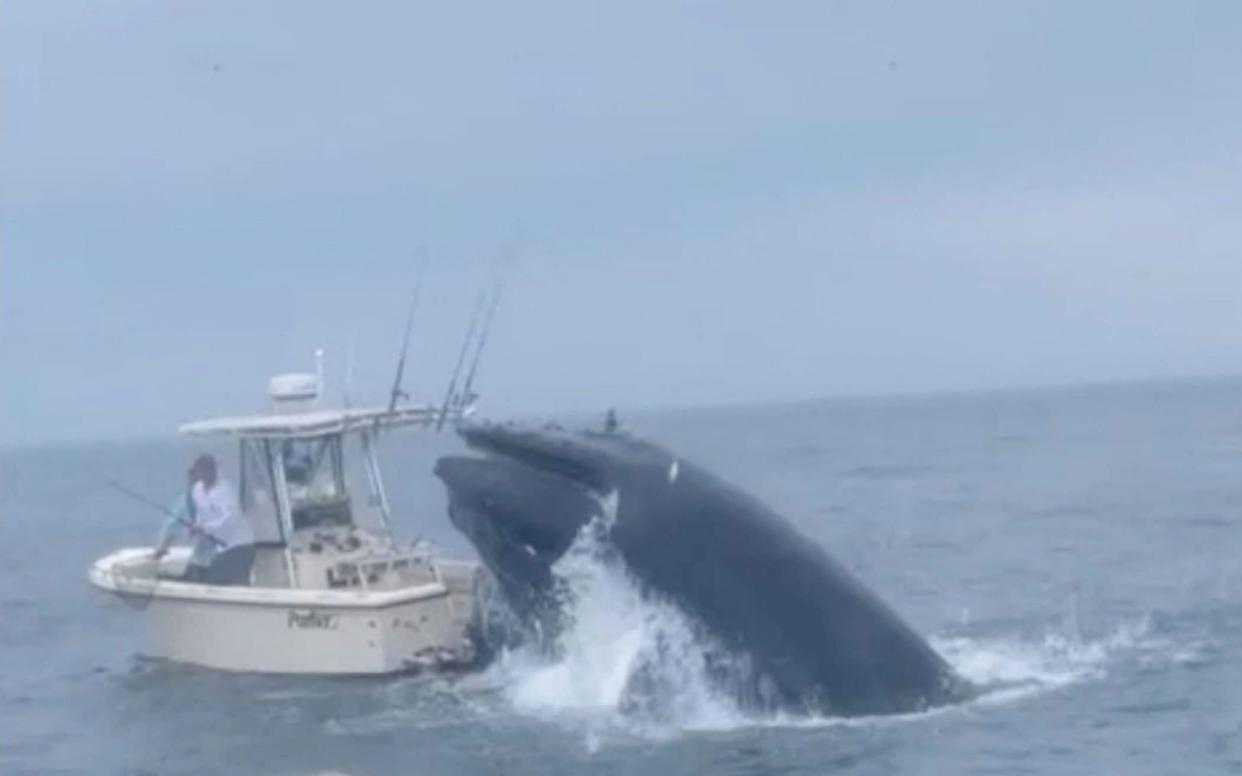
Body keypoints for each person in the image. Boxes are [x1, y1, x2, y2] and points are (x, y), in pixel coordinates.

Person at [188, 454, 256, 586]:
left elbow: (230, 518)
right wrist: (196, 526)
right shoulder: (196, 490)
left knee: (233, 580)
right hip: (220, 546)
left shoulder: (224, 490)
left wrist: (205, 528)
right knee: (213, 575)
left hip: (239, 544)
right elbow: (201, 513)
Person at [151, 465, 218, 582]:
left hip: (203, 566)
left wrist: (161, 549)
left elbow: (171, 526)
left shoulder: (187, 500)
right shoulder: (225, 495)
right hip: (232, 563)